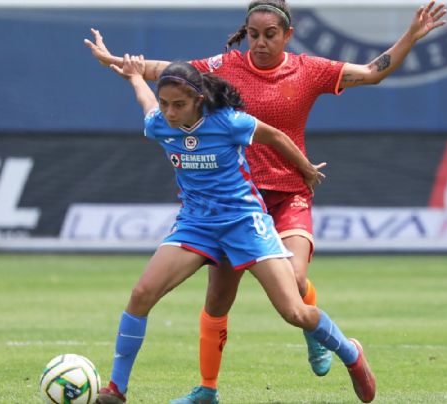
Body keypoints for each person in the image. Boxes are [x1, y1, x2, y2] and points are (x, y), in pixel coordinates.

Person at [85, 1, 447, 402]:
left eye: (269, 34)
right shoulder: (217, 71)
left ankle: (330, 341)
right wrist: (114, 61)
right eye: (252, 34)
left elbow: (370, 73)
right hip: (216, 209)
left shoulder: (307, 71)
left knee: (293, 290)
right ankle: (195, 389)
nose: (259, 43)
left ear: (287, 34)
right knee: (213, 299)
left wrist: (410, 36)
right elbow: (165, 74)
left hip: (277, 197)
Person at [94, 55, 375, 404]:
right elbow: (147, 103)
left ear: (198, 100)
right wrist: (135, 77)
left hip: (245, 222)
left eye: (178, 104)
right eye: (166, 103)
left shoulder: (228, 122)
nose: (169, 112)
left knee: (294, 312)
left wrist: (305, 169)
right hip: (196, 225)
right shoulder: (159, 124)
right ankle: (115, 391)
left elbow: (273, 136)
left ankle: (351, 355)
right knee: (140, 296)